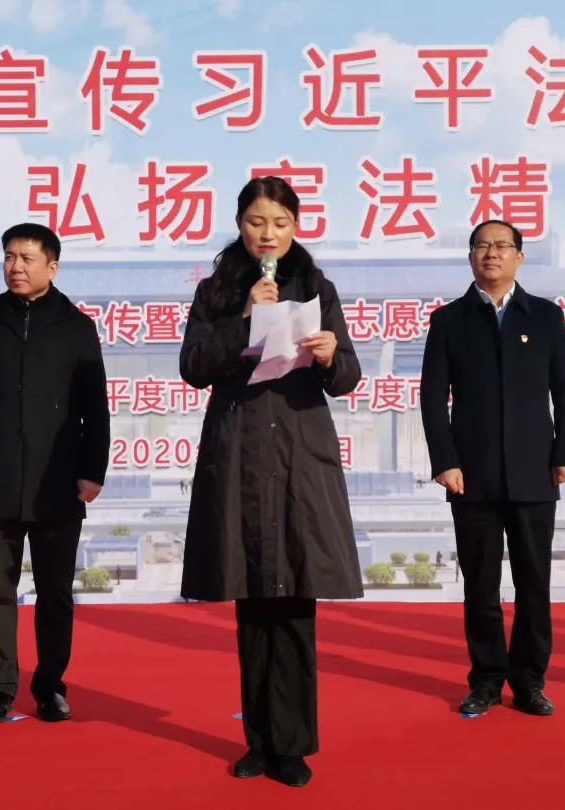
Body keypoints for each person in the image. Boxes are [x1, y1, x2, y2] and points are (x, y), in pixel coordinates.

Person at [180, 176, 362, 787]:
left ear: (295, 226)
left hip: (299, 456)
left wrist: (331, 353)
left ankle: (293, 745)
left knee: (295, 600)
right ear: (240, 224)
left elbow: (347, 376)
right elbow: (193, 367)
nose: (268, 234)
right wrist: (243, 320)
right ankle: (258, 741)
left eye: (280, 223)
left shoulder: (316, 286)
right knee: (252, 601)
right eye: (257, 222)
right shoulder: (217, 290)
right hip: (240, 455)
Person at [0, 223, 110, 724]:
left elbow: (95, 408)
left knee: (55, 593)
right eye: (9, 257)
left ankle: (50, 687)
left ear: (52, 267)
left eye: (27, 258)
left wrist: (93, 471)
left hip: (57, 481)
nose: (15, 267)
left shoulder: (77, 328)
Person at [420, 219, 565, 717]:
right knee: (480, 586)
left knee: (535, 585)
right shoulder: (449, 320)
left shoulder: (546, 316)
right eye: (482, 246)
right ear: (471, 256)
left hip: (536, 472)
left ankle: (529, 681)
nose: (492, 253)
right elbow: (432, 398)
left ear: (519, 257)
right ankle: (486, 680)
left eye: (502, 246)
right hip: (471, 475)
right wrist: (445, 462)